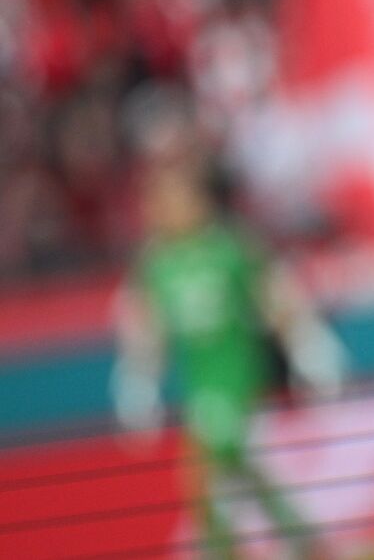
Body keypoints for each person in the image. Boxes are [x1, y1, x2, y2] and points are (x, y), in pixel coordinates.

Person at [112, 162, 347, 559]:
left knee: (220, 484)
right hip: (200, 390)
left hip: (243, 384)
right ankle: (305, 547)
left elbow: (275, 298)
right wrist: (137, 382)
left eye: (172, 198)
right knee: (235, 487)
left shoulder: (229, 247)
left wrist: (309, 346)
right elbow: (146, 328)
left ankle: (295, 548)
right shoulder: (155, 263)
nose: (163, 209)